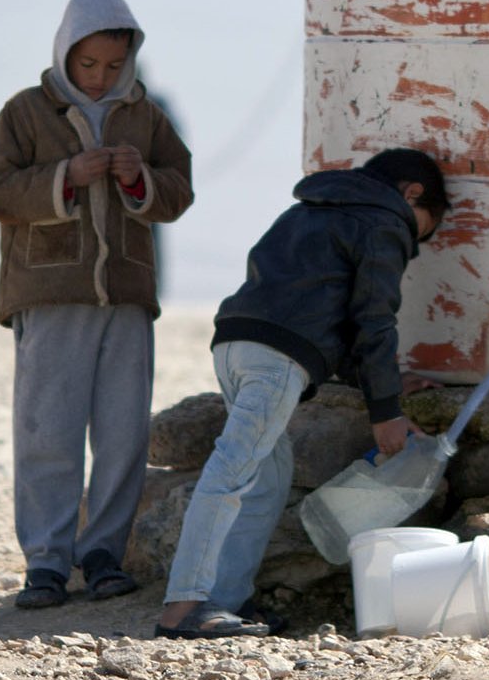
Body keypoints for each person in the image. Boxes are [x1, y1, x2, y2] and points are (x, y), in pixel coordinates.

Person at [155, 148, 448, 639]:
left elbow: (323, 311)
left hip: (234, 343)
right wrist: (386, 413)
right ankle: (183, 609)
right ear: (412, 195)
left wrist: (387, 388)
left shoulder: (307, 208)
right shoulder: (384, 221)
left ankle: (226, 600)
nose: (417, 242)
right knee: (232, 472)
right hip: (275, 359)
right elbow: (373, 322)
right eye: (426, 228)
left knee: (269, 474)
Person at [0, 0, 193, 609]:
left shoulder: (147, 117)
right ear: (66, 54)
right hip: (49, 297)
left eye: (114, 66)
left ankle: (103, 555)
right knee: (49, 431)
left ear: (131, 61)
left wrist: (139, 179)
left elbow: (178, 192)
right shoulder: (24, 113)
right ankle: (46, 561)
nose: (100, 78)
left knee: (124, 434)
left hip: (125, 297)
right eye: (88, 64)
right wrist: (64, 177)